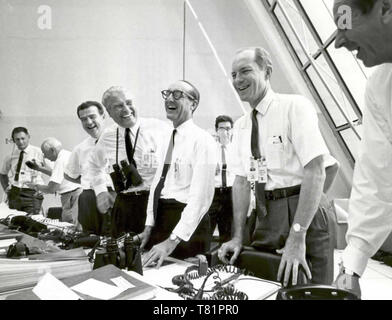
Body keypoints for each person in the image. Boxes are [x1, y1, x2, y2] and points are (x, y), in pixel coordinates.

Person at [217, 47, 339, 286]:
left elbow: (318, 169)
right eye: (233, 74)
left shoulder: (294, 107)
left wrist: (299, 231)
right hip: (266, 213)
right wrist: (238, 236)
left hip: (303, 211)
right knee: (267, 284)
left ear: (267, 71)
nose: (238, 79)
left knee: (309, 287)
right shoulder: (241, 126)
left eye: (245, 71)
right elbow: (242, 182)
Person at [333, 0, 392, 298]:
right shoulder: (381, 87)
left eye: (344, 22)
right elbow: (376, 177)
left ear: (385, 8)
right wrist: (351, 268)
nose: (339, 41)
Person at [139, 80, 217, 268]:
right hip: (162, 219)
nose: (169, 99)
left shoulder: (203, 140)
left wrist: (172, 241)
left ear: (193, 104)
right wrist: (149, 226)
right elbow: (158, 184)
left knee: (182, 284)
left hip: (187, 226)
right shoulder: (167, 138)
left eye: (178, 94)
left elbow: (201, 198)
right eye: (167, 93)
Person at [89, 86, 170, 238]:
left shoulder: (160, 129)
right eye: (118, 106)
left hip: (155, 203)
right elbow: (93, 166)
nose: (126, 110)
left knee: (153, 253)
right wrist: (100, 191)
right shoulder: (108, 136)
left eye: (129, 102)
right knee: (122, 252)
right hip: (124, 205)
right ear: (109, 112)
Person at [64, 100, 107, 234]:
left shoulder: (118, 141)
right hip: (89, 199)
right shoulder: (80, 148)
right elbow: (69, 174)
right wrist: (87, 182)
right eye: (83, 119)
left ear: (103, 116)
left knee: (115, 239)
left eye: (92, 117)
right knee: (90, 238)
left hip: (112, 197)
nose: (88, 122)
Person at [27, 137, 82, 225]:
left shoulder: (60, 161)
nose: (45, 156)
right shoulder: (67, 154)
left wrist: (35, 186)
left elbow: (52, 188)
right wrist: (39, 168)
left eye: (45, 153)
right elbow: (59, 175)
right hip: (77, 194)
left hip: (71, 196)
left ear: (52, 150)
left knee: (69, 226)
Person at [0, 127, 45, 215]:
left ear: (28, 137)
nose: (20, 142)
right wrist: (6, 188)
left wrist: (44, 188)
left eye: (23, 138)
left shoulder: (39, 152)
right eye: (17, 139)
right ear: (13, 140)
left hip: (32, 193)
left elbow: (51, 171)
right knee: (14, 222)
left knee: (31, 222)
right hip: (15, 193)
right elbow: (2, 174)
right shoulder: (10, 156)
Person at [207, 115, 236, 244]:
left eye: (228, 128)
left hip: (230, 192)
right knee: (208, 227)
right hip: (214, 192)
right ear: (216, 130)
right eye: (222, 128)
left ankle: (225, 262)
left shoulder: (236, 150)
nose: (225, 132)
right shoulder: (210, 149)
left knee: (227, 231)